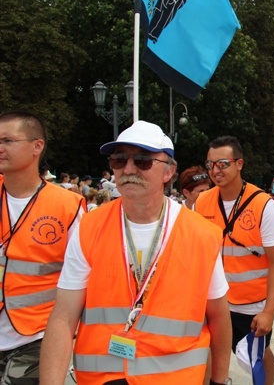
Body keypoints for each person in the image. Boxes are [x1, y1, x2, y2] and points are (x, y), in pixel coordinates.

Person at [39, 121, 232, 385]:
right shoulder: (90, 227)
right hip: (101, 378)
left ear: (169, 172)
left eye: (142, 160)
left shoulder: (203, 234)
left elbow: (219, 318)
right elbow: (63, 318)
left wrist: (220, 381)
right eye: (119, 160)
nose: (128, 169)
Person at [0, 111, 85, 384]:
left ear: (37, 146)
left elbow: (81, 275)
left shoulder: (68, 206)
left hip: (37, 334)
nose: (0, 148)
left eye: (8, 141)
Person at [194, 135, 274, 385]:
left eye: (223, 163)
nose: (216, 170)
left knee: (258, 355)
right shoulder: (202, 202)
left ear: (239, 164)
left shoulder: (262, 204)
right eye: (211, 164)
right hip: (214, 300)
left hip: (251, 303)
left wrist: (269, 312)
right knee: (209, 353)